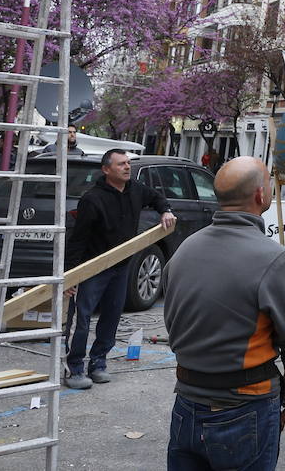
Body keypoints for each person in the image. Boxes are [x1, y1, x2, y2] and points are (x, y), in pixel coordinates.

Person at [163, 156, 285, 471]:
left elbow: (173, 323)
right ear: (261, 195)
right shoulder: (276, 259)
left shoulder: (185, 249)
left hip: (186, 406)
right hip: (243, 408)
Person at [62, 148, 176, 390]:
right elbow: (77, 239)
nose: (127, 167)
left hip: (121, 267)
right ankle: (74, 369)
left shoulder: (135, 189)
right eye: (121, 164)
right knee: (81, 319)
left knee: (112, 316)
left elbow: (156, 197)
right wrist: (71, 275)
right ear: (106, 170)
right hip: (92, 269)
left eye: (128, 163)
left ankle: (98, 363)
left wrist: (165, 210)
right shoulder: (92, 199)